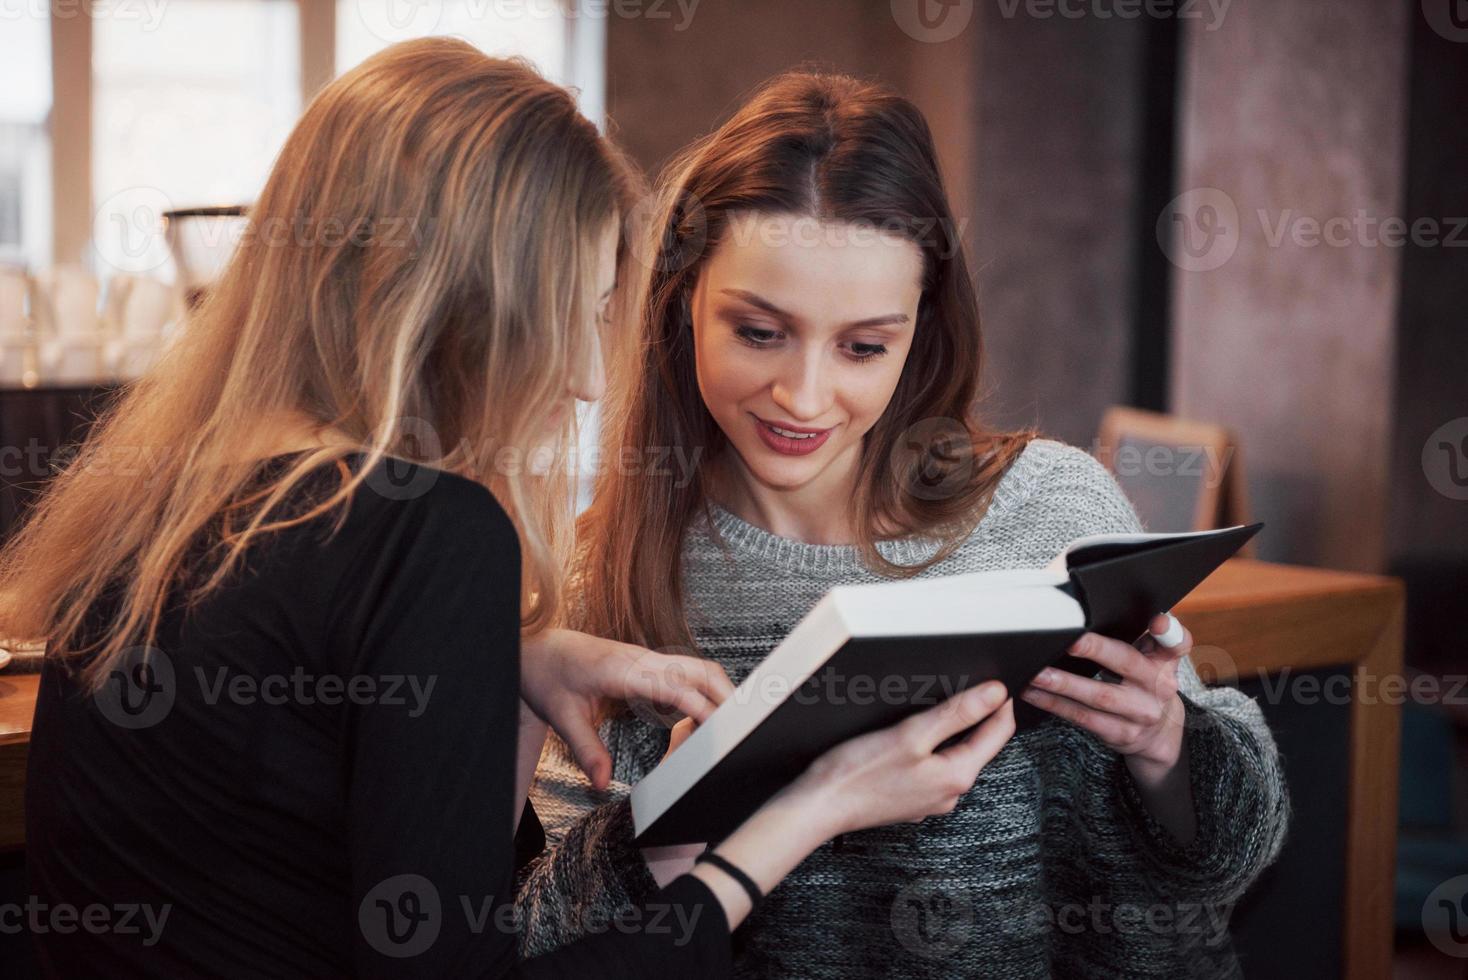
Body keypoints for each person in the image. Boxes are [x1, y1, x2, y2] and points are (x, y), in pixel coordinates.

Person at [2, 42, 1017, 979]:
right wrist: (808, 811)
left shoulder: (162, 500)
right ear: (451, 309)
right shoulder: (426, 531)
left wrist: (500, 654)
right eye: (570, 314)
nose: (582, 377)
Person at [520, 70, 1290, 978]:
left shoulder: (1049, 507)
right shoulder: (593, 571)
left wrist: (1166, 743)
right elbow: (538, 942)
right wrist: (691, 810)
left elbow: (1226, 866)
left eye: (863, 347)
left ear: (921, 329)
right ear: (684, 301)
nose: (804, 396)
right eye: (759, 332)